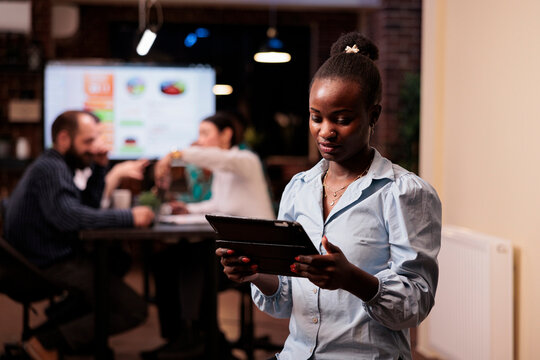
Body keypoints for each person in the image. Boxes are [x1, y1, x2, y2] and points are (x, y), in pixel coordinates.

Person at [216, 32, 442, 360]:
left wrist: (353, 279)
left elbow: (414, 306)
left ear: (373, 116)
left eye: (342, 119)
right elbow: (285, 302)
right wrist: (256, 273)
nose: (326, 131)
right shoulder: (299, 188)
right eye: (316, 117)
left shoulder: (404, 193)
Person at [4, 110, 155, 360]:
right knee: (134, 310)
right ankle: (44, 342)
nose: (94, 148)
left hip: (43, 257)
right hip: (45, 264)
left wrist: (99, 168)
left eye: (96, 140)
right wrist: (130, 217)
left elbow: (87, 209)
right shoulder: (51, 168)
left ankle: (46, 337)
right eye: (88, 142)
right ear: (63, 139)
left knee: (118, 261)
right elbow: (71, 218)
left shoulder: (55, 165)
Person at [143, 112, 275, 359]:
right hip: (235, 247)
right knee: (166, 261)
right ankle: (187, 337)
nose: (200, 140)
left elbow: (211, 160)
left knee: (192, 257)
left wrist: (174, 155)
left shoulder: (244, 159)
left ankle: (198, 339)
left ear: (226, 134)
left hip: (256, 251)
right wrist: (187, 209)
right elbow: (219, 204)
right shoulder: (223, 169)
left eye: (205, 133)